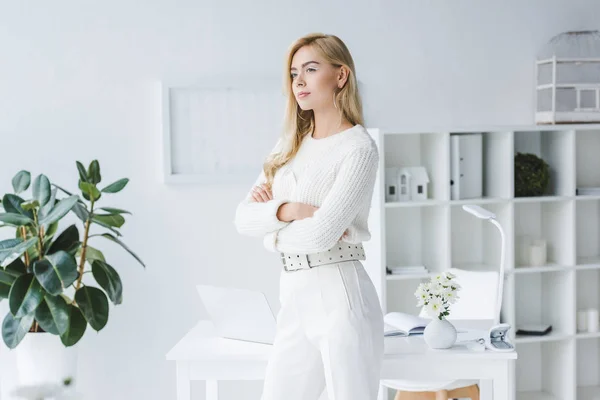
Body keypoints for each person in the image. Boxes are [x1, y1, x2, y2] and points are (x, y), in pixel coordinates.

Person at [234, 32, 383, 400]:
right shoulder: (288, 146)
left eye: (311, 69)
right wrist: (289, 210)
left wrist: (270, 229)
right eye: (293, 73)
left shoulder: (358, 148)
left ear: (340, 75)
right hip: (294, 294)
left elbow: (321, 234)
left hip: (340, 294)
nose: (299, 81)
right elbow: (242, 219)